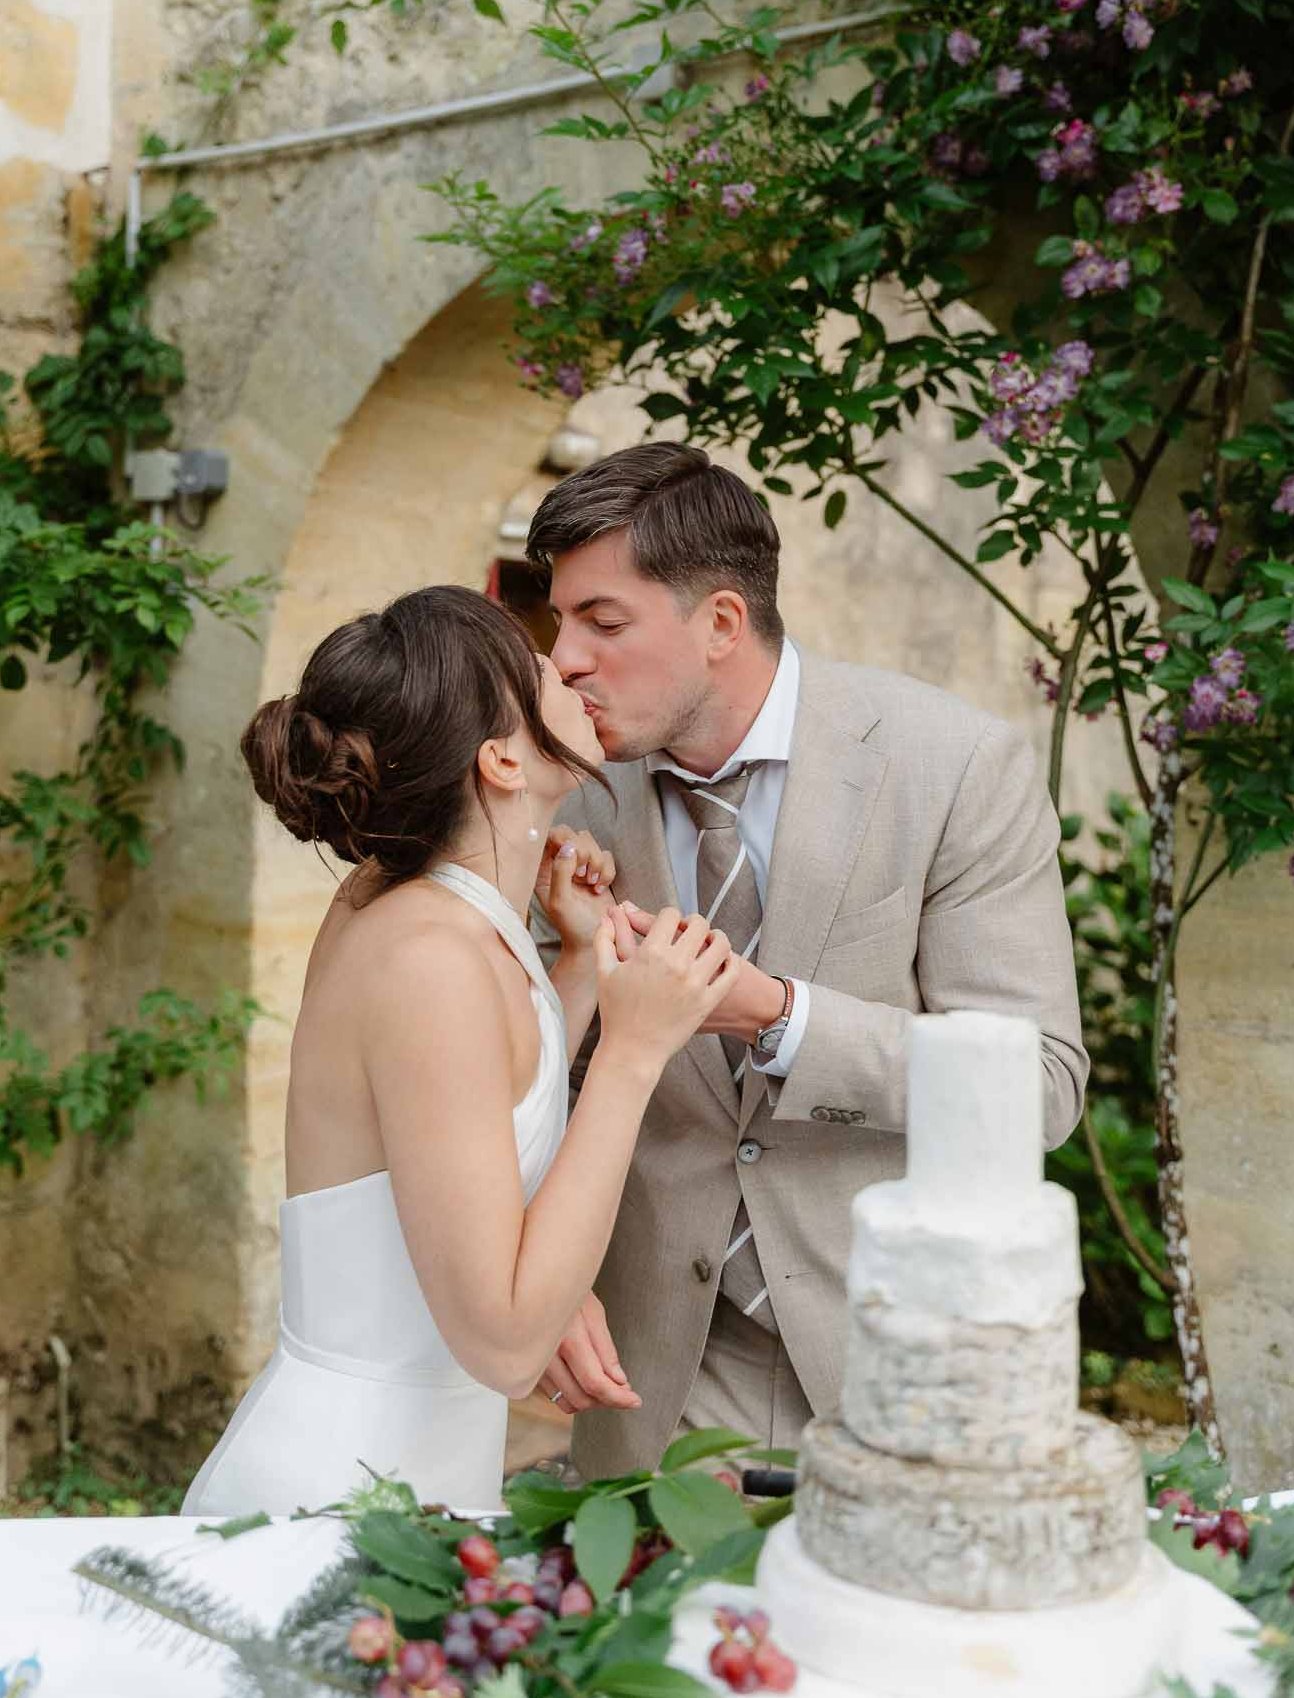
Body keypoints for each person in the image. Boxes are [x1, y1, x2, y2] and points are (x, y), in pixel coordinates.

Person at [528, 443, 1088, 1478]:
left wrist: (776, 1012)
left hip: (900, 1368)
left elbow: (1037, 1086)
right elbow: (523, 1077)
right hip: (653, 1383)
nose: (563, 658)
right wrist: (544, 1276)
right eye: (560, 620)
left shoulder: (956, 767)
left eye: (601, 622)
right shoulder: (565, 791)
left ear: (723, 622)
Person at [182, 585, 739, 1517]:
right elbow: (509, 1343)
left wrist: (576, 964)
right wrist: (632, 1054)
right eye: (535, 670)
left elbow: (482, 1101)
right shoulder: (431, 958)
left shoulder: (402, 902)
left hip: (412, 1476)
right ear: (501, 762)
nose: (565, 665)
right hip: (342, 1498)